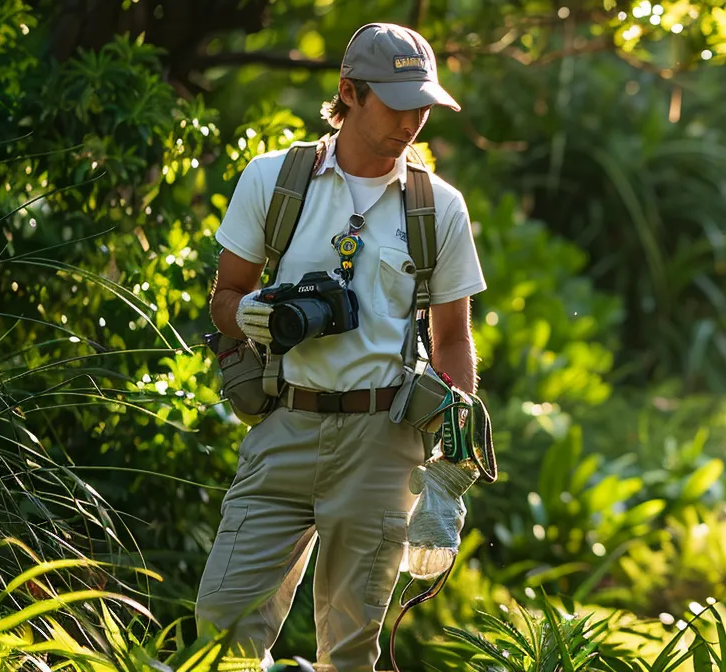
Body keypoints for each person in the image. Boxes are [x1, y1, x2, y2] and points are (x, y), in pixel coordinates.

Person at [197, 23, 484, 672]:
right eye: (396, 102)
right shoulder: (274, 180)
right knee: (223, 621)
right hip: (284, 423)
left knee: (350, 648)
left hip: (383, 443)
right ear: (349, 93)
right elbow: (225, 298)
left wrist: (450, 463)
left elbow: (452, 337)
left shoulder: (439, 207)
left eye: (423, 105)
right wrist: (259, 319)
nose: (413, 120)